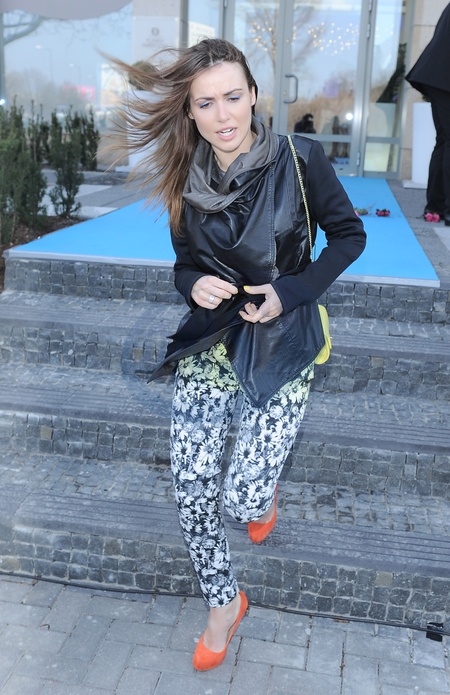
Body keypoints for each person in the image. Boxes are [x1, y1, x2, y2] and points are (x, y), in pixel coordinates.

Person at [112, 38, 366, 671]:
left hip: (281, 344)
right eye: (206, 103)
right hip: (210, 341)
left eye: (232, 96)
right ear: (189, 111)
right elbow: (184, 264)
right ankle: (224, 603)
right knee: (191, 487)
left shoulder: (301, 160)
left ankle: (262, 497)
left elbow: (349, 236)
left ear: (254, 95)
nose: (223, 115)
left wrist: (291, 292)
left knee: (243, 500)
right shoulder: (185, 173)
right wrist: (192, 284)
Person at [406, 3, 450, 225]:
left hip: (436, 77)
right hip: (443, 78)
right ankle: (445, 209)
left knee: (443, 141)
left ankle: (436, 206)